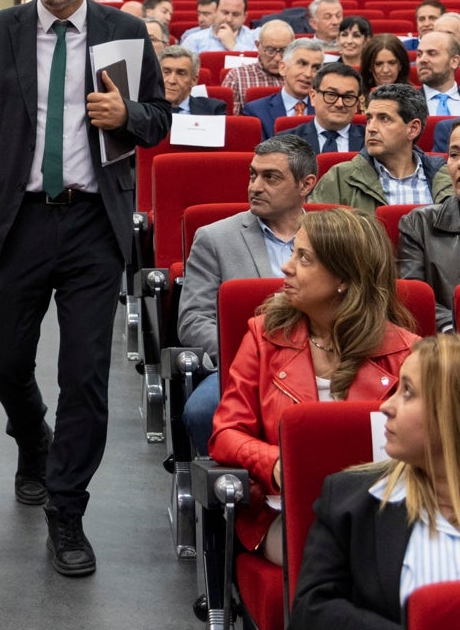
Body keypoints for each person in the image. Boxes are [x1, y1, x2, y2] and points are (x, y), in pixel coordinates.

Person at [0, 0, 169, 577]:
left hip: (94, 225)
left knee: (86, 376)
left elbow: (157, 120)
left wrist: (128, 116)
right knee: (4, 361)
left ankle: (67, 509)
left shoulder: (124, 32)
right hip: (16, 221)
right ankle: (32, 437)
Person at [210, 208, 417, 563]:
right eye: (292, 252)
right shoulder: (265, 337)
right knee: (335, 553)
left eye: (303, 258)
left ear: (344, 278)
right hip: (290, 513)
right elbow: (226, 434)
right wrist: (277, 462)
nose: (286, 267)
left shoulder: (408, 352)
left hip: (383, 512)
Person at [289, 334, 460, 629]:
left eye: (407, 392)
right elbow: (310, 612)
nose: (385, 407)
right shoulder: (349, 502)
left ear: (450, 412)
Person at [179, 135, 318, 454]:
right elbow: (192, 320)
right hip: (245, 364)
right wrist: (249, 354)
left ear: (306, 184)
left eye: (271, 177)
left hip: (322, 358)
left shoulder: (332, 237)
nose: (255, 186)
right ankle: (224, 496)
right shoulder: (215, 238)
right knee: (202, 412)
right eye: (253, 175)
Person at [311, 83, 451, 213]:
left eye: (384, 119)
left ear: (413, 129)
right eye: (369, 119)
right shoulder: (339, 178)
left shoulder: (448, 177)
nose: (371, 128)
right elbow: (314, 234)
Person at [398, 119, 460, 332]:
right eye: (454, 155)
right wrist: (452, 328)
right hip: (447, 348)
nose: (459, 163)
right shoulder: (419, 224)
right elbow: (413, 298)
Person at [242, 38, 324, 138]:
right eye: (302, 64)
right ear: (282, 68)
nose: (308, 74)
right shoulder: (256, 111)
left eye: (316, 68)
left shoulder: (326, 109)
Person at [277, 63, 366, 152]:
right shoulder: (284, 143)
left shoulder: (371, 140)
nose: (339, 104)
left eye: (348, 97)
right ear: (313, 97)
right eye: (331, 95)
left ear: (357, 103)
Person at [182, 0, 258, 53]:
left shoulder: (256, 37)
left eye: (235, 14)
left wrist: (233, 45)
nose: (229, 19)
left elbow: (261, 66)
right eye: (225, 12)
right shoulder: (194, 40)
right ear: (216, 12)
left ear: (244, 17)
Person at [161, 45, 224, 114]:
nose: (171, 80)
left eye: (181, 73)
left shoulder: (213, 110)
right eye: (166, 72)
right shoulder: (147, 110)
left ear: (194, 80)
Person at [415, 31, 460, 116]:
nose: (422, 60)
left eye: (432, 53)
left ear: (454, 61)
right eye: (419, 54)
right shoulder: (403, 102)